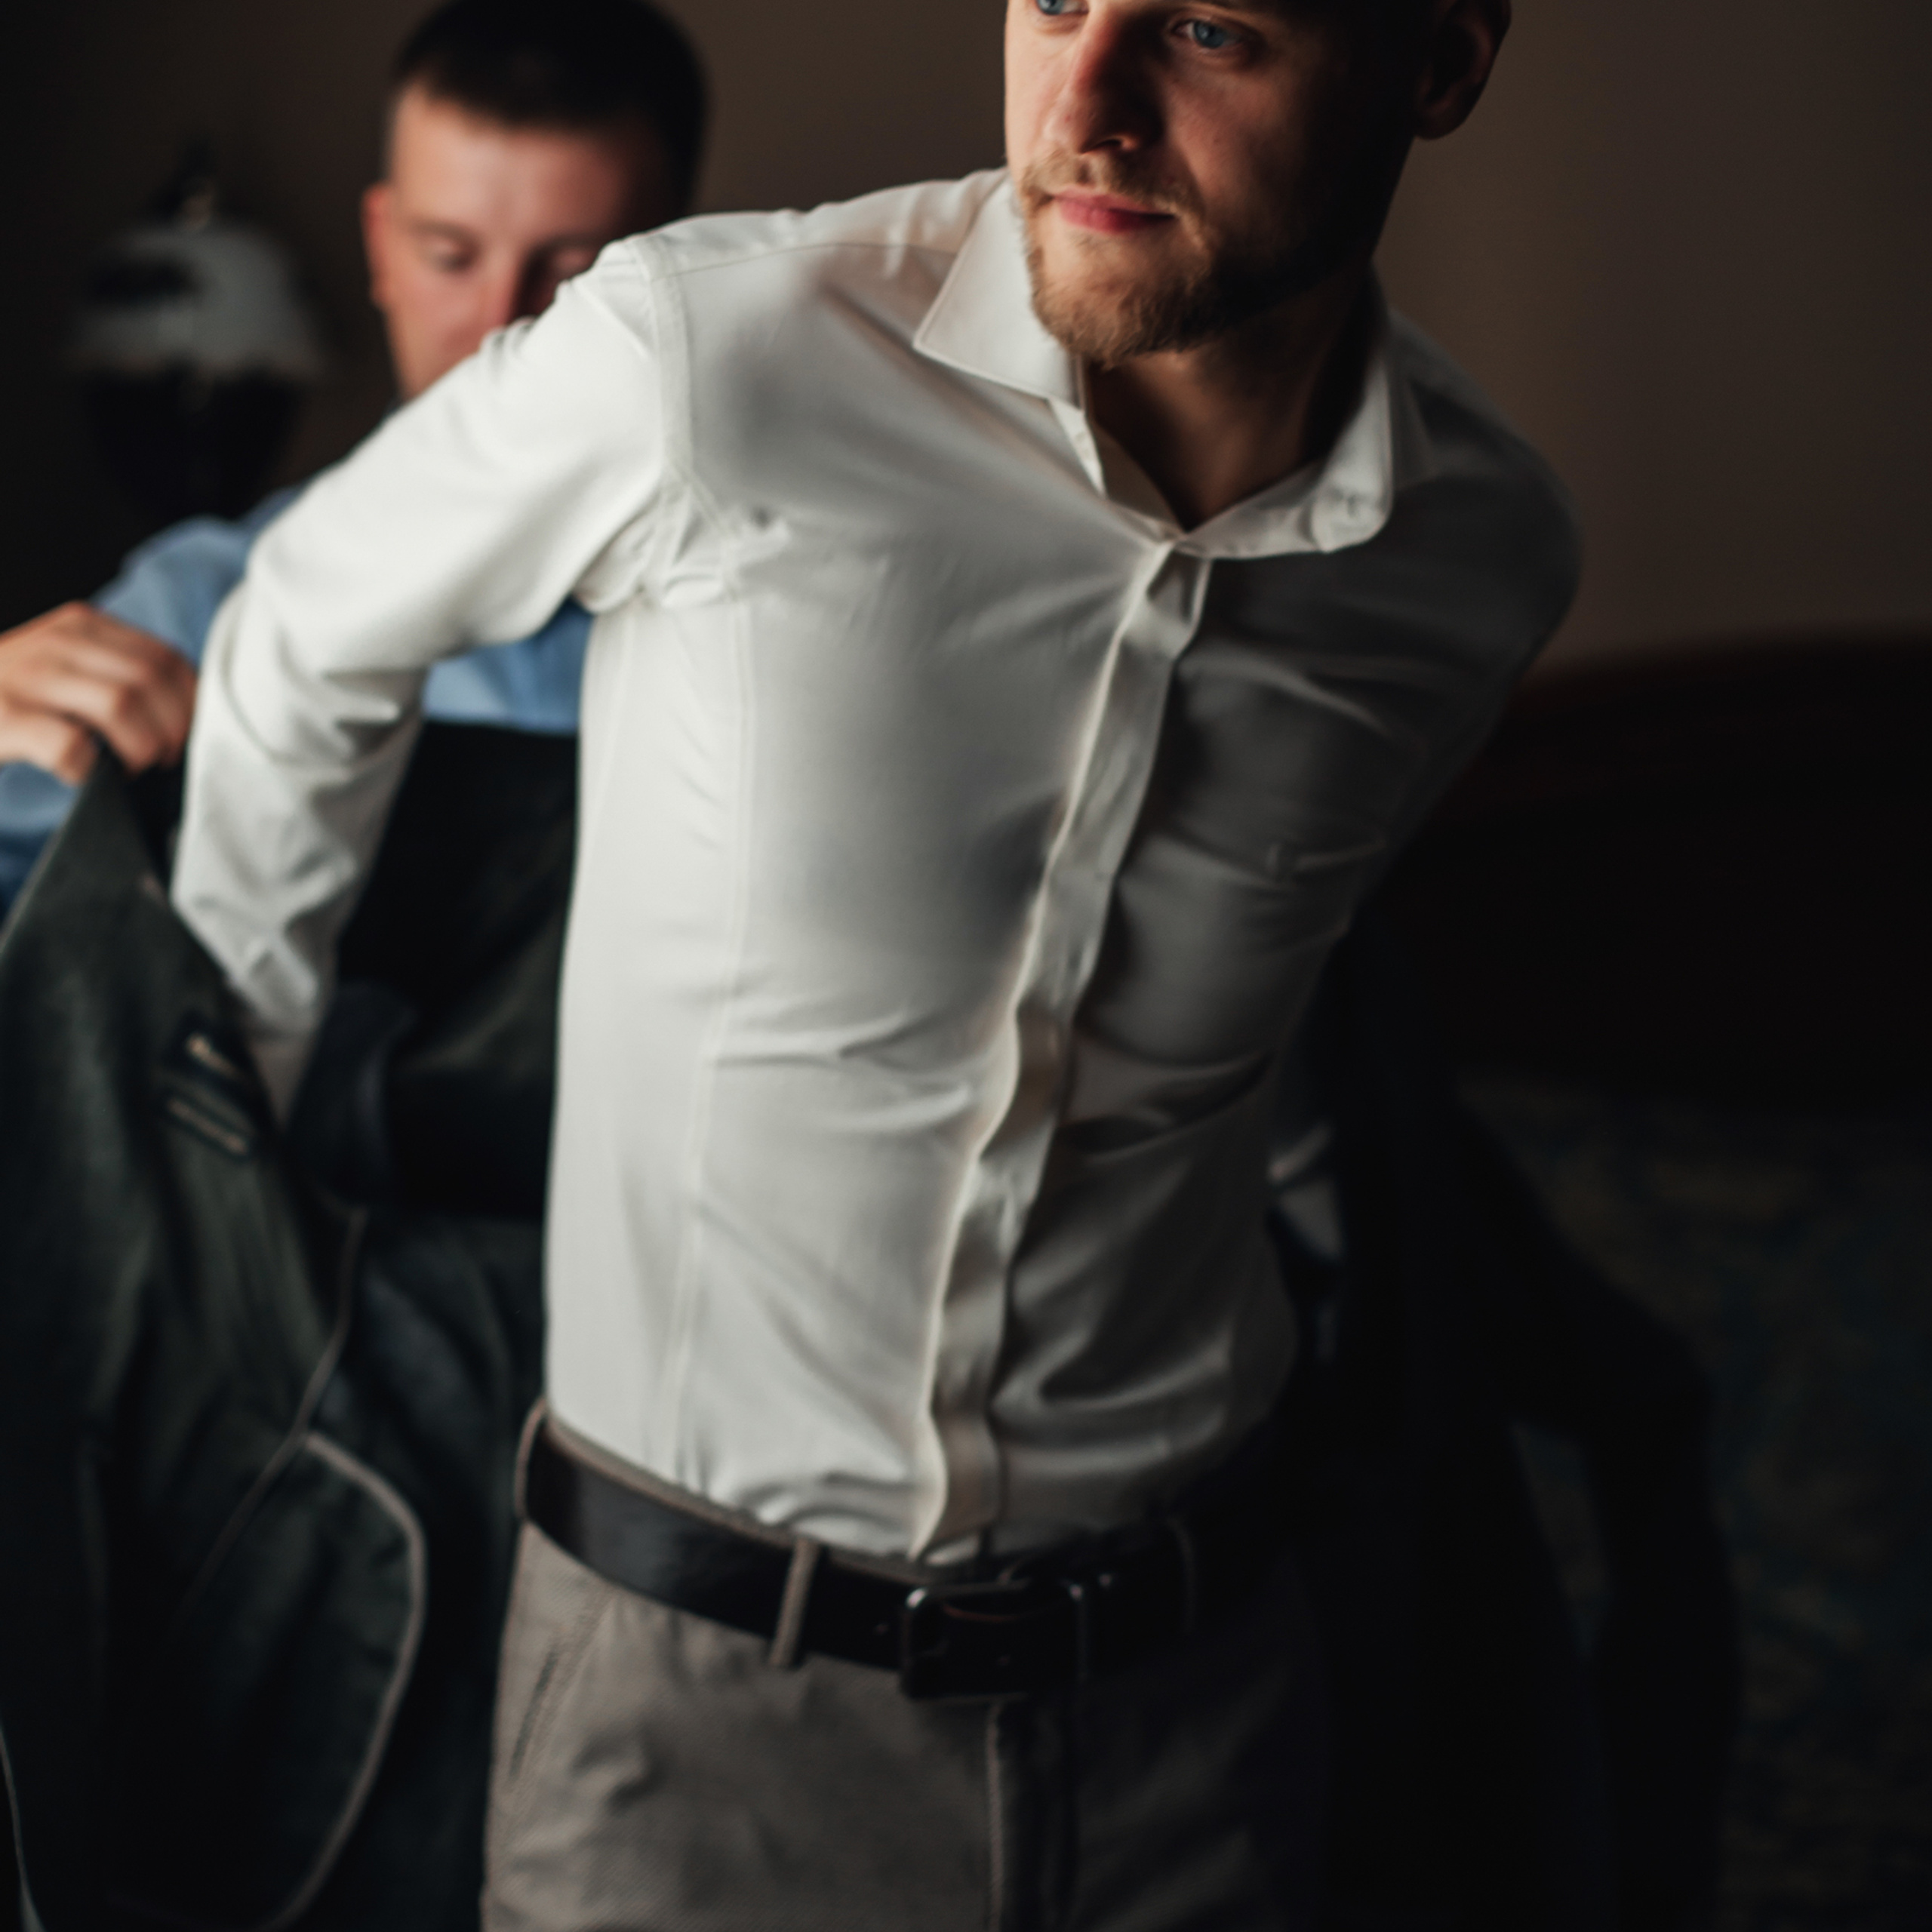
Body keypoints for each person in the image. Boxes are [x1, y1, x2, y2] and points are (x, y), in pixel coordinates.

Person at [171, 0, 1582, 1921]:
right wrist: (224, 1176)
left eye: (1204, 28)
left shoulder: (1474, 560)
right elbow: (302, 630)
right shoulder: (709, 356)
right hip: (683, 1718)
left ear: (1437, 61)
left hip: (1204, 1698)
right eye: (1052, 1)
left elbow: (1280, 1002)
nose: (1085, 105)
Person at [0, 0, 706, 916]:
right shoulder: (199, 609)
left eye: (572, 272)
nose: (501, 326)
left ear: (677, 274)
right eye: (450, 256)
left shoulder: (781, 610)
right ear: (383, 246)